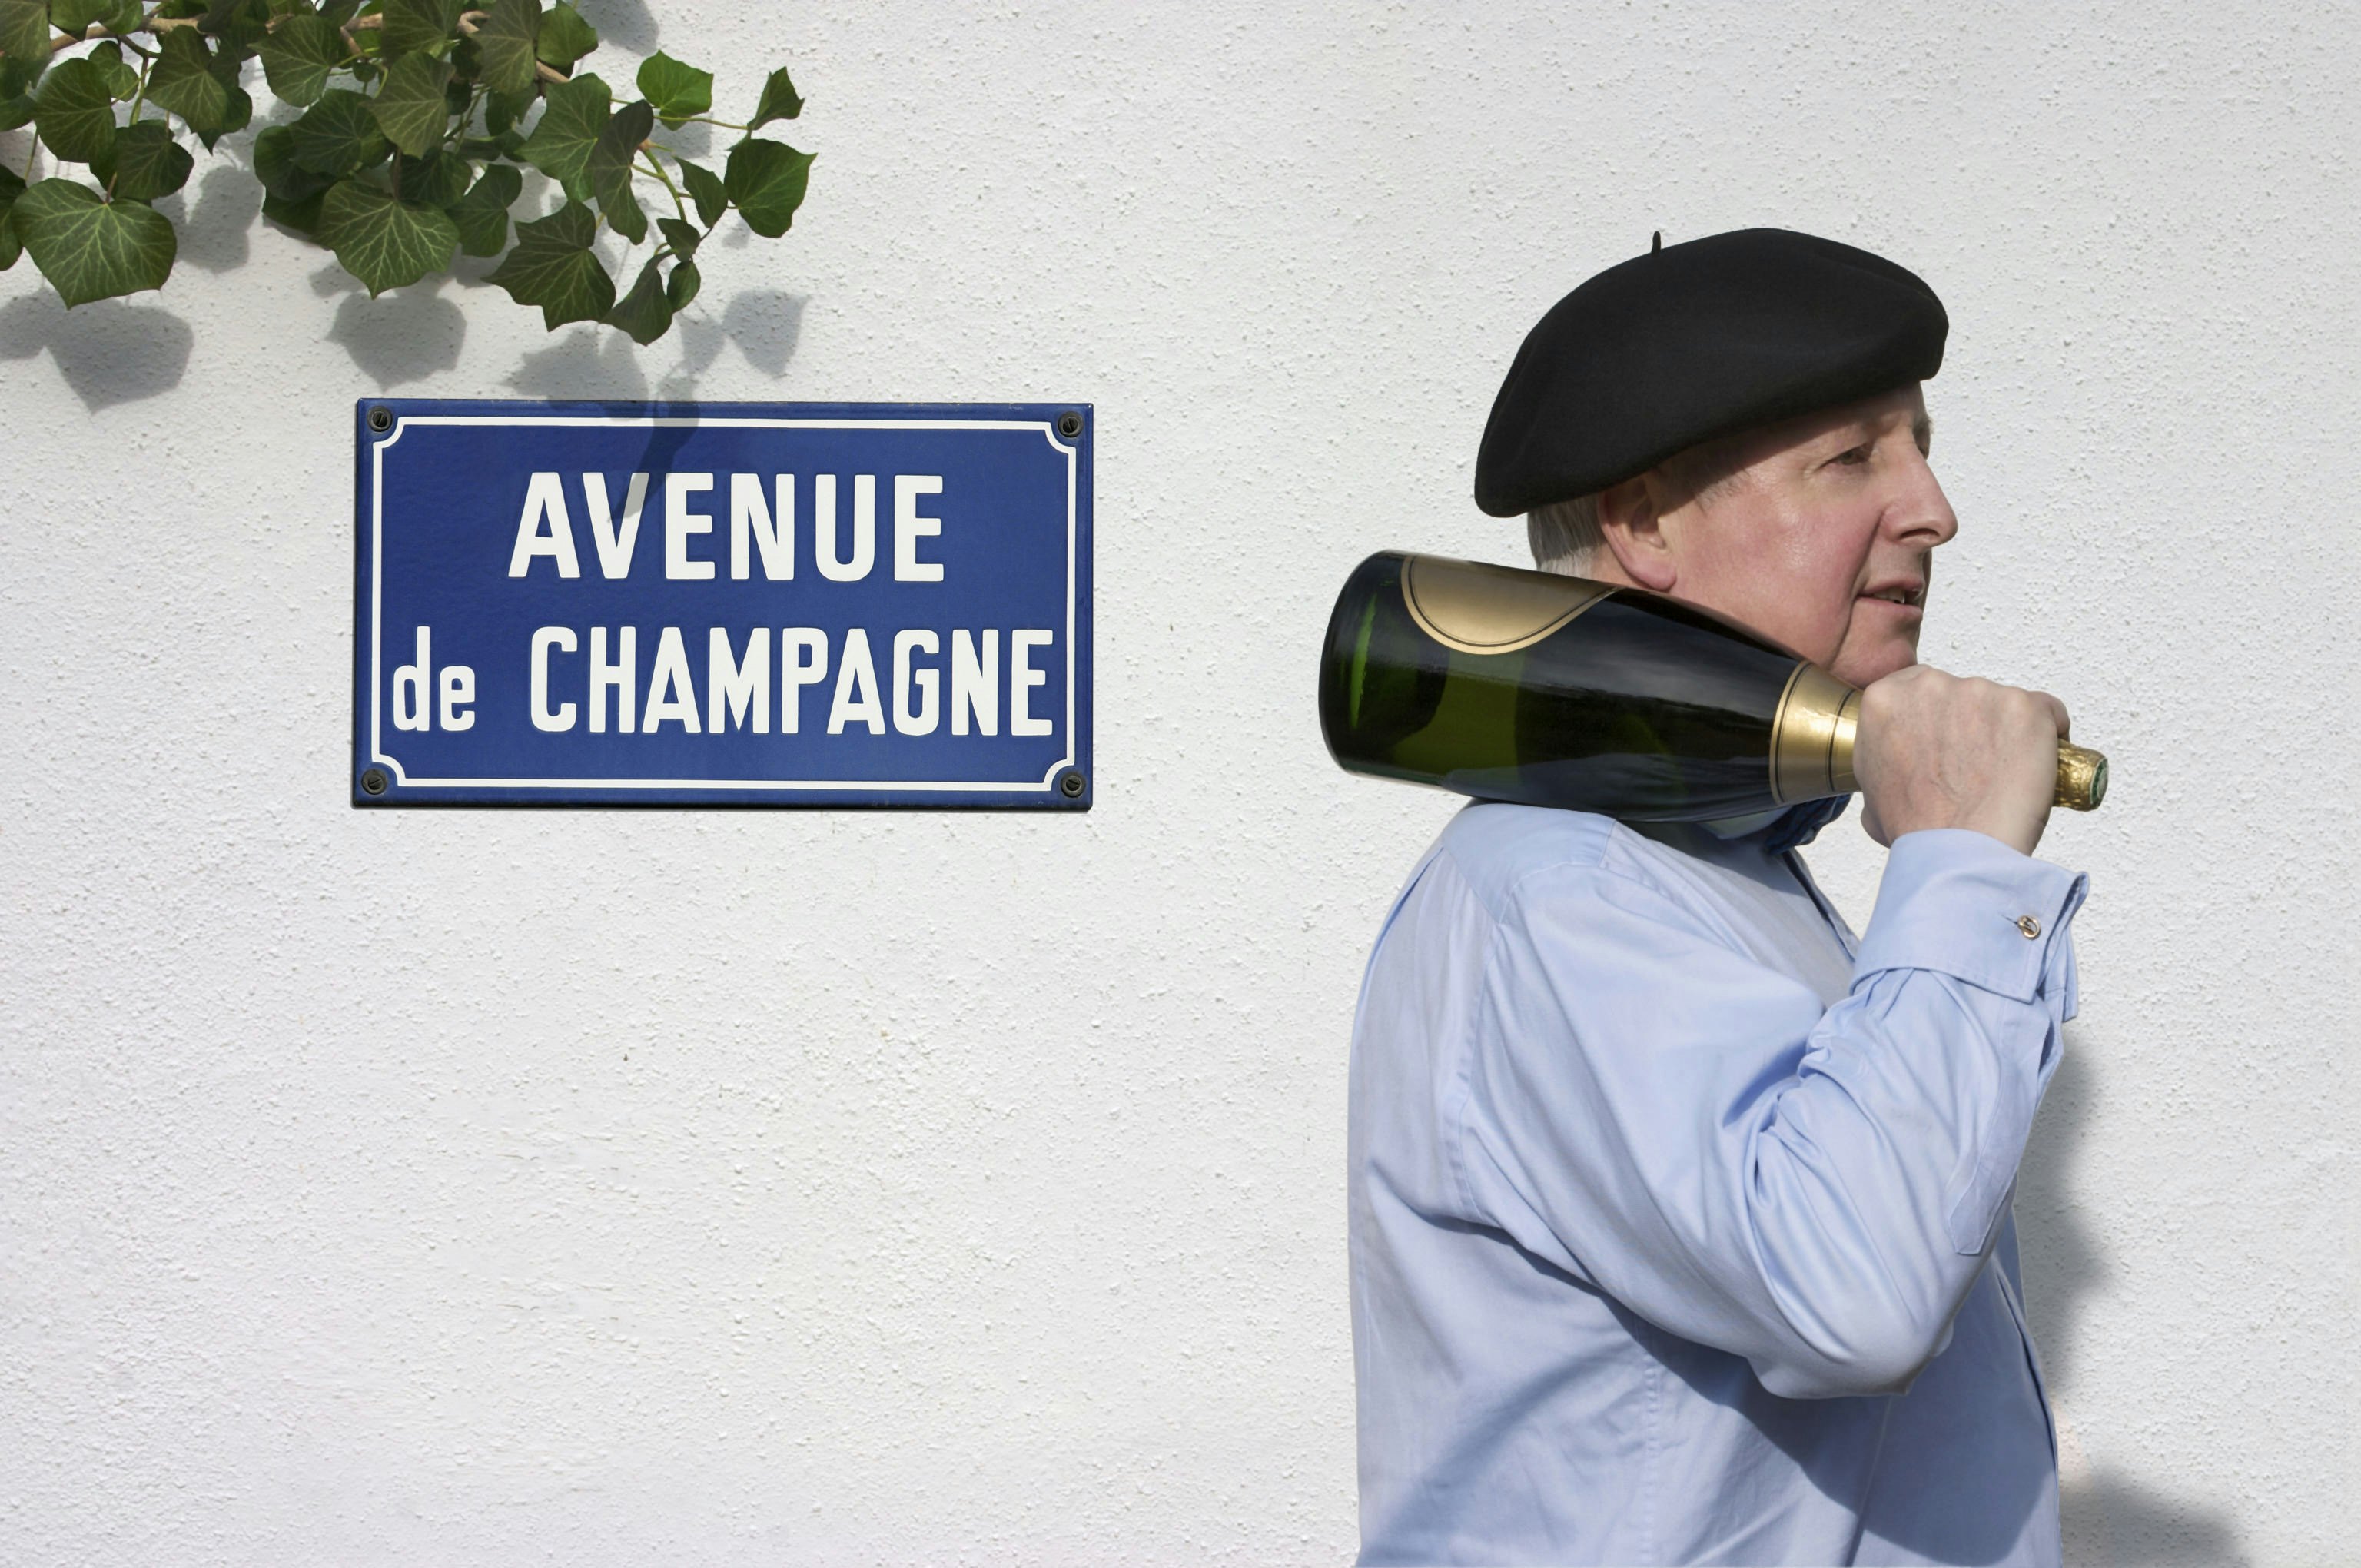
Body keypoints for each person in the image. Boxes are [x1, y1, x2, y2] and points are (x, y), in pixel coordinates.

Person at [1347, 229, 2086, 1566]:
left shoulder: (1717, 870)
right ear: (1641, 524)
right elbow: (1855, 1289)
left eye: (1918, 443)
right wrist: (1964, 863)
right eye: (1853, 456)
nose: (1932, 507)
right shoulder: (1562, 894)